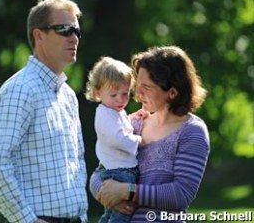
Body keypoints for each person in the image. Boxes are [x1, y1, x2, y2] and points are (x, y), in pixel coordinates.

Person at [0, 0, 88, 223]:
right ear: (39, 35)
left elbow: (76, 162)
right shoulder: (19, 90)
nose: (74, 38)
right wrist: (26, 220)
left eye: (76, 31)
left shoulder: (68, 95)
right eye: (64, 29)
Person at [89, 45, 210, 222]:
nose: (137, 94)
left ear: (172, 92)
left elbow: (181, 194)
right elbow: (98, 174)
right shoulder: (133, 124)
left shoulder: (192, 132)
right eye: (138, 86)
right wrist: (109, 197)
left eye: (146, 87)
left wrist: (127, 191)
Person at [85, 56, 145, 222]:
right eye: (114, 94)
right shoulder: (105, 114)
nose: (120, 99)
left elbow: (120, 125)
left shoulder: (114, 110)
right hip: (118, 172)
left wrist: (132, 117)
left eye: (125, 93)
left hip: (118, 169)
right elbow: (118, 138)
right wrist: (139, 141)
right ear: (98, 92)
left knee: (111, 214)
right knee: (122, 215)